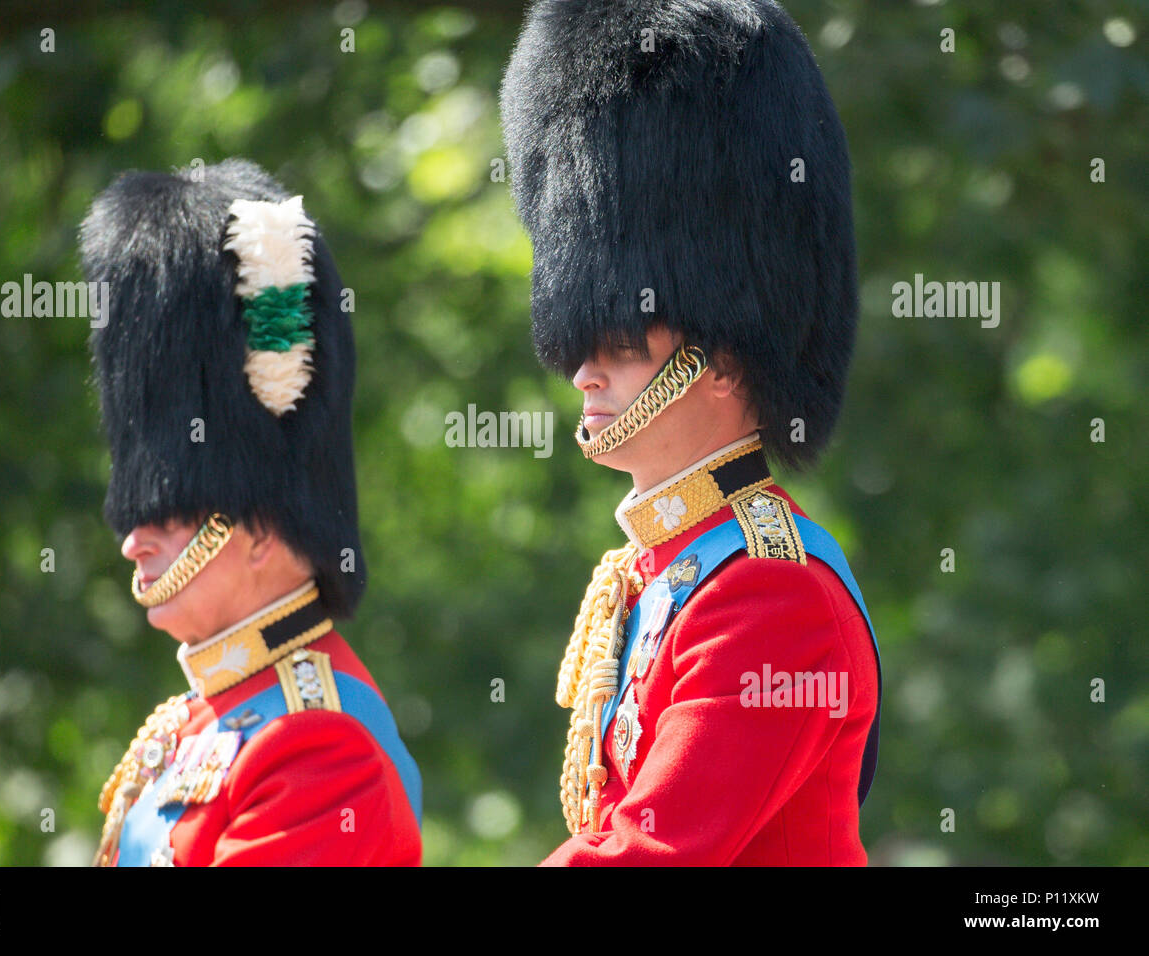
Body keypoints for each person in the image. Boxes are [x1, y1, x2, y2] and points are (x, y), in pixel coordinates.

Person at [499, 0, 881, 864]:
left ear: (720, 361)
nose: (584, 373)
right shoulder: (659, 573)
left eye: (623, 344)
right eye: (581, 344)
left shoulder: (771, 593)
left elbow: (650, 850)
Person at [80, 158, 421, 866]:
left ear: (259, 528)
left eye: (167, 511)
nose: (131, 543)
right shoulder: (188, 725)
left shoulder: (320, 743)